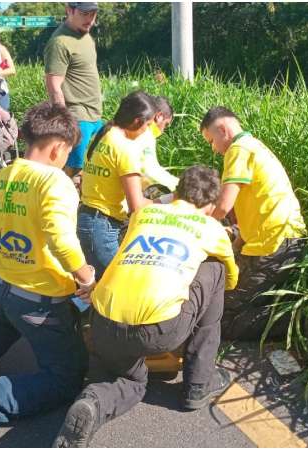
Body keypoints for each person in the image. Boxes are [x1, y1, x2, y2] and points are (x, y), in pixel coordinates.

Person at [53, 165, 239, 448]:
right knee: (216, 271)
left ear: (175, 193)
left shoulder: (144, 214)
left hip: (104, 320)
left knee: (131, 380)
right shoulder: (212, 228)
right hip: (157, 330)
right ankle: (197, 385)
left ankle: (92, 403)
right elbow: (232, 281)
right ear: (212, 206)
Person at [0, 102, 96, 448]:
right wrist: (85, 276)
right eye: (68, 153)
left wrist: (1, 224)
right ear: (59, 147)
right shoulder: (55, 182)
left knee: (8, 317)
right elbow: (60, 238)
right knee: (66, 377)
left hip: (1, 284)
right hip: (39, 298)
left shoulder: (1, 177)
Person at [199, 106, 308, 340]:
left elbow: (223, 206)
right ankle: (276, 304)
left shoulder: (238, 150)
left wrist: (193, 228)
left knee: (221, 315)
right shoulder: (253, 146)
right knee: (224, 294)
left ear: (223, 129)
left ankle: (296, 320)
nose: (213, 149)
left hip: (274, 245)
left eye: (211, 140)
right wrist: (236, 247)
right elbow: (255, 212)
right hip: (280, 240)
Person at [77, 90, 155, 279]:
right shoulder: (126, 148)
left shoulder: (104, 133)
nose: (148, 131)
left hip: (87, 217)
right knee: (118, 281)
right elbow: (136, 204)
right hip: (101, 225)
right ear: (137, 121)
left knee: (99, 285)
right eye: (148, 125)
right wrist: (168, 203)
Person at [44, 2, 103, 180]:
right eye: (85, 14)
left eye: (93, 14)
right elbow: (53, 85)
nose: (90, 19)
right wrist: (65, 120)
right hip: (77, 116)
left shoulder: (86, 37)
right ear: (69, 10)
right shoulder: (59, 42)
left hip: (95, 114)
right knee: (74, 171)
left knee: (94, 168)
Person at [136, 95, 179, 193]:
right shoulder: (146, 135)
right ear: (159, 116)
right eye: (166, 124)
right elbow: (151, 171)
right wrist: (178, 184)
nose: (163, 130)